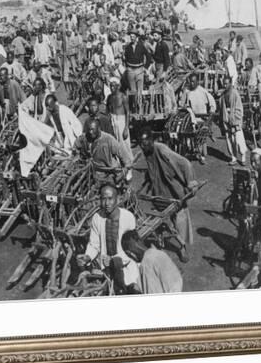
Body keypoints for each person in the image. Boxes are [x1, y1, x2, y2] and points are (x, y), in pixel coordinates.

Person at [138, 128, 199, 263]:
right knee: (160, 218)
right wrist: (146, 184)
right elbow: (153, 169)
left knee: (179, 219)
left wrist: (191, 182)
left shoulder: (162, 150)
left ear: (151, 140)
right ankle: (160, 243)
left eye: (146, 143)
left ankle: (182, 247)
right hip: (159, 190)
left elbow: (184, 163)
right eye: (141, 143)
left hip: (173, 190)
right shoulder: (147, 151)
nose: (143, 146)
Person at [77, 184, 140, 294]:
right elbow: (94, 244)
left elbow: (131, 249)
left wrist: (114, 260)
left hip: (126, 266)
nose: (107, 203)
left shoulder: (128, 217)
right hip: (106, 267)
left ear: (118, 199)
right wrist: (87, 256)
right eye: (103, 199)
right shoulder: (97, 218)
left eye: (110, 199)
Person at [181, 73, 216, 163]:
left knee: (202, 138)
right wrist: (185, 108)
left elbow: (212, 102)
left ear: (197, 82)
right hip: (192, 118)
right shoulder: (187, 91)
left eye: (193, 82)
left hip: (202, 118)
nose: (191, 84)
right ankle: (197, 153)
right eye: (190, 82)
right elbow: (181, 103)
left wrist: (211, 112)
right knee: (193, 137)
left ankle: (202, 154)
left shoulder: (203, 91)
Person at [220, 75, 248, 166]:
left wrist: (236, 118)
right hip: (227, 119)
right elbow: (221, 108)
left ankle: (243, 156)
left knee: (238, 138)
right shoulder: (223, 95)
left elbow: (239, 108)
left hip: (235, 119)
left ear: (230, 84)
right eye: (224, 84)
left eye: (227, 84)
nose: (225, 86)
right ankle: (233, 157)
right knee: (230, 139)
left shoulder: (235, 93)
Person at [106, 77, 132, 160]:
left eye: (113, 86)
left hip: (121, 121)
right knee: (116, 143)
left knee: (125, 145)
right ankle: (120, 164)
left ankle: (129, 165)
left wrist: (126, 128)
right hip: (113, 120)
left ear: (118, 86)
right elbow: (108, 109)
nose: (111, 88)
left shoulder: (123, 96)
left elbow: (128, 112)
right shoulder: (109, 97)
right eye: (110, 86)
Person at [123, 29, 150, 93]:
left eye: (133, 37)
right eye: (131, 37)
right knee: (132, 91)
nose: (132, 38)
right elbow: (125, 58)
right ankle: (134, 103)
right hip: (130, 71)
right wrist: (128, 67)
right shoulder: (128, 47)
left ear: (136, 37)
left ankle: (140, 103)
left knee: (140, 91)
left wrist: (146, 67)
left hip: (139, 70)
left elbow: (148, 56)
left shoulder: (141, 46)